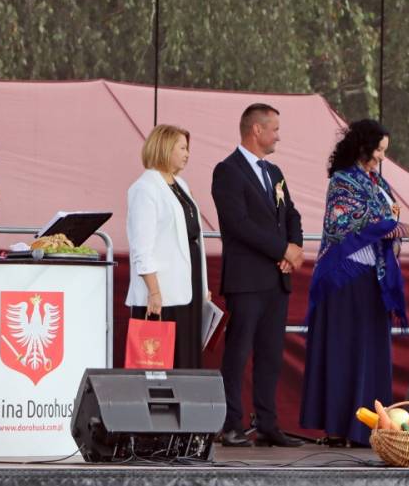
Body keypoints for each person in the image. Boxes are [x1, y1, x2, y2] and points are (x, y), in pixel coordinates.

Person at [300, 119, 409, 446]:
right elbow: (359, 222)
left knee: (370, 353)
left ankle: (368, 427)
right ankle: (340, 426)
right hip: (345, 278)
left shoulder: (378, 182)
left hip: (375, 278)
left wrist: (403, 231)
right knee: (345, 352)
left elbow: (387, 219)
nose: (382, 157)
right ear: (363, 147)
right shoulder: (342, 181)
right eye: (379, 150)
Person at [211, 103, 304, 448]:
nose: (278, 136)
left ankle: (267, 422)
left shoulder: (274, 172)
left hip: (276, 279)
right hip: (247, 279)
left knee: (270, 354)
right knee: (238, 352)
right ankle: (231, 423)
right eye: (275, 129)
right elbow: (239, 224)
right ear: (257, 130)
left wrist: (294, 247)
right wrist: (281, 250)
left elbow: (291, 214)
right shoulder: (228, 171)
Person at [125, 124, 209, 368]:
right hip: (163, 291)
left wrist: (203, 285)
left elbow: (192, 236)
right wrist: (154, 292)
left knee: (187, 357)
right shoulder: (145, 188)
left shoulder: (181, 185)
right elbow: (142, 246)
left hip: (187, 287)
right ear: (165, 148)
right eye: (182, 148)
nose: (187, 154)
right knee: (160, 363)